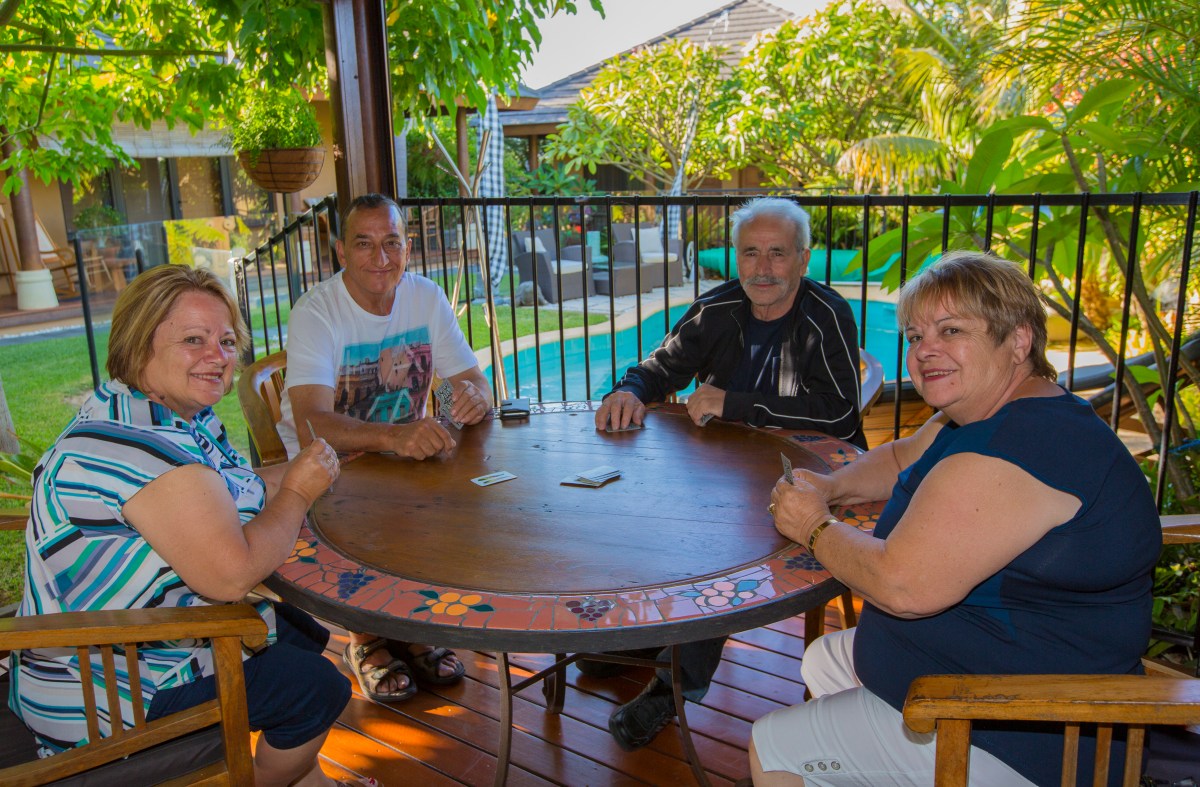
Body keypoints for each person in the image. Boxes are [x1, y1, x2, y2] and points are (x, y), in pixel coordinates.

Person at [753, 251, 1161, 786]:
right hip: (988, 661)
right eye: (915, 336)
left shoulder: (1017, 448)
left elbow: (901, 586)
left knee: (773, 746)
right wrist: (830, 487)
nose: (925, 350)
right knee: (823, 658)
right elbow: (900, 457)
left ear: (1018, 340)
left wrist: (814, 526)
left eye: (951, 330)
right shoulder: (981, 415)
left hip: (1030, 728)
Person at [11, 265, 361, 787]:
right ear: (139, 346)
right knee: (317, 688)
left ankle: (310, 780)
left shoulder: (151, 413)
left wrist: (304, 471)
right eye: (193, 340)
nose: (217, 356)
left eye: (226, 341)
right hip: (104, 686)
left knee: (300, 632)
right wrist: (297, 494)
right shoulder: (147, 453)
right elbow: (231, 575)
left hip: (118, 644)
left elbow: (232, 487)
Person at [594, 196, 866, 752]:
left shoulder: (826, 315)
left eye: (777, 254)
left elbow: (840, 414)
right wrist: (629, 390)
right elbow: (661, 366)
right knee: (640, 509)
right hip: (725, 471)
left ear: (803, 258)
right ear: (736, 258)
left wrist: (736, 404)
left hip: (813, 478)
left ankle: (674, 687)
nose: (763, 268)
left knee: (718, 548)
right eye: (750, 253)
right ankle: (645, 635)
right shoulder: (715, 309)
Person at [278, 193, 493, 703]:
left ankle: (411, 623)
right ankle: (366, 638)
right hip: (328, 467)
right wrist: (394, 435)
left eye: (391, 243)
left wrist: (466, 399)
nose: (381, 258)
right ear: (340, 251)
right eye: (364, 244)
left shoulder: (426, 297)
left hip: (405, 460)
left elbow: (471, 382)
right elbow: (312, 423)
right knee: (372, 506)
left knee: (474, 496)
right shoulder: (318, 310)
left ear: (408, 248)